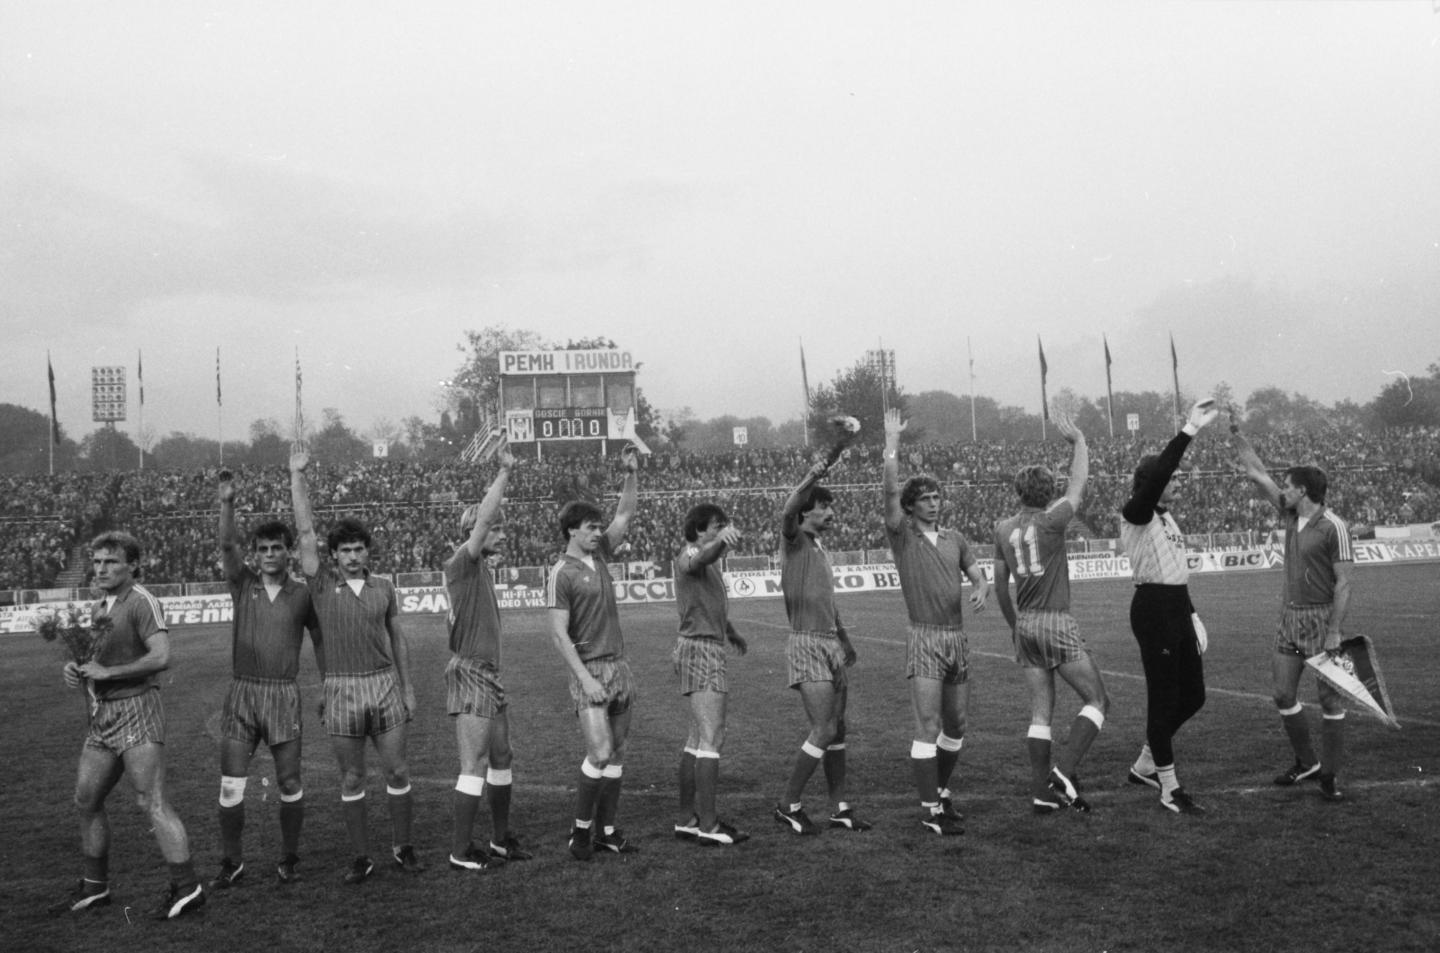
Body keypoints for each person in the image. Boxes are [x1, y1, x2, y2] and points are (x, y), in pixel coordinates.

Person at [51, 531, 205, 920]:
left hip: (138, 708)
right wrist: (77, 669)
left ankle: (188, 888)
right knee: (86, 800)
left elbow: (162, 656)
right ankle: (94, 886)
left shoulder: (141, 602)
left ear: (132, 566)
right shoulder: (99, 605)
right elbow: (92, 657)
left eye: (110, 562)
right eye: (97, 562)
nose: (100, 569)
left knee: (150, 800)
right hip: (103, 714)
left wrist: (109, 671)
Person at [292, 450, 423, 883]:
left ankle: (402, 847)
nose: (352, 556)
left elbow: (398, 639)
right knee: (351, 776)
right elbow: (306, 530)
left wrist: (407, 688)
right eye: (345, 550)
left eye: (359, 548)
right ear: (333, 556)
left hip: (384, 686)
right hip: (343, 689)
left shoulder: (384, 588)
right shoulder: (322, 584)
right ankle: (362, 856)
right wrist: (298, 476)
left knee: (398, 770)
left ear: (368, 552)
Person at [992, 416, 1109, 815]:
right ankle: (1063, 772)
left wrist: (1014, 627)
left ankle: (1041, 793)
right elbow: (1078, 484)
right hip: (1055, 619)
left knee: (1041, 712)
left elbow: (999, 584)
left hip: (1025, 622)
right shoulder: (1052, 519)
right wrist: (1079, 440)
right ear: (1048, 492)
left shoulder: (1002, 526)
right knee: (1097, 699)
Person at [213, 470, 323, 888]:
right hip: (243, 693)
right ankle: (232, 861)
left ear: (288, 552)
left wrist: (329, 683)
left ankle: (290, 857)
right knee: (230, 784)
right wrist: (227, 502)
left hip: (282, 695)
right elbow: (227, 544)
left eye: (278, 547)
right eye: (263, 549)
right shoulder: (242, 585)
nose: (270, 553)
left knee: (290, 781)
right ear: (255, 555)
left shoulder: (303, 594)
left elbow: (319, 638)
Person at [882, 409, 989, 836]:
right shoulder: (902, 534)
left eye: (936, 497)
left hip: (956, 639)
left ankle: (941, 795)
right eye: (924, 498)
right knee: (927, 725)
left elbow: (976, 572)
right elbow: (889, 493)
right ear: (911, 506)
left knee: (957, 724)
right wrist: (892, 444)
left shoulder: (955, 539)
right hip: (925, 637)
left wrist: (980, 586)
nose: (933, 502)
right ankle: (930, 810)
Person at [1233, 434, 1354, 801]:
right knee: (1283, 693)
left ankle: (1330, 776)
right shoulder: (1289, 514)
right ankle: (1307, 762)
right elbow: (1257, 474)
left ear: (1302, 491)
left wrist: (1334, 630)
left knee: (1331, 702)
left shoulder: (1333, 526)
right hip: (1290, 619)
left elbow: (1345, 584)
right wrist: (1238, 436)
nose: (1281, 489)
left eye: (1287, 486)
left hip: (1321, 622)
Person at [1119, 400, 1220, 815]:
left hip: (1177, 607)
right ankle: (1169, 788)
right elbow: (1160, 472)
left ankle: (1146, 762)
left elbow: (1178, 572)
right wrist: (1188, 432)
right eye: (1171, 479)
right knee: (1162, 700)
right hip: (1154, 609)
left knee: (1193, 696)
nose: (1177, 484)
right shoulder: (1135, 514)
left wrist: (1193, 614)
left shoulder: (1169, 520)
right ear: (1151, 484)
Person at [546, 445, 640, 861]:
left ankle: (606, 829)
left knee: (616, 755)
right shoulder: (560, 574)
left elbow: (625, 515)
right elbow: (558, 635)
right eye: (590, 527)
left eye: (598, 527)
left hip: (618, 665)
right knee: (599, 753)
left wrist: (631, 474)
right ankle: (580, 831)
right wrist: (584, 678)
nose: (599, 532)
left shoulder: (600, 555)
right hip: (590, 671)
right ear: (571, 531)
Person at [443, 438, 533, 870]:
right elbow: (483, 519)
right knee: (474, 762)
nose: (500, 533)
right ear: (474, 533)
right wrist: (504, 472)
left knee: (502, 756)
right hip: (471, 672)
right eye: (494, 529)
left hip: (489, 675)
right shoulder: (461, 564)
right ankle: (460, 850)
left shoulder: (482, 574)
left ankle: (499, 840)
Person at [773, 457, 870, 836]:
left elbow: (828, 600)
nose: (830, 512)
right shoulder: (793, 541)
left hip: (829, 643)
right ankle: (788, 804)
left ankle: (839, 807)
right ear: (805, 513)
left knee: (838, 728)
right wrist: (811, 477)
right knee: (823, 729)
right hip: (807, 643)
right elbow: (787, 510)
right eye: (823, 506)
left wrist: (844, 637)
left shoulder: (818, 547)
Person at [672, 502, 749, 847]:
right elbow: (698, 559)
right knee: (711, 738)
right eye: (717, 526)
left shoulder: (710, 562)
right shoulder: (690, 552)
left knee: (696, 739)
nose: (722, 530)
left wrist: (730, 630)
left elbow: (710, 601)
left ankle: (689, 820)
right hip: (700, 650)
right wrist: (719, 543)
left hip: (707, 645)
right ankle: (709, 824)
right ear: (700, 530)